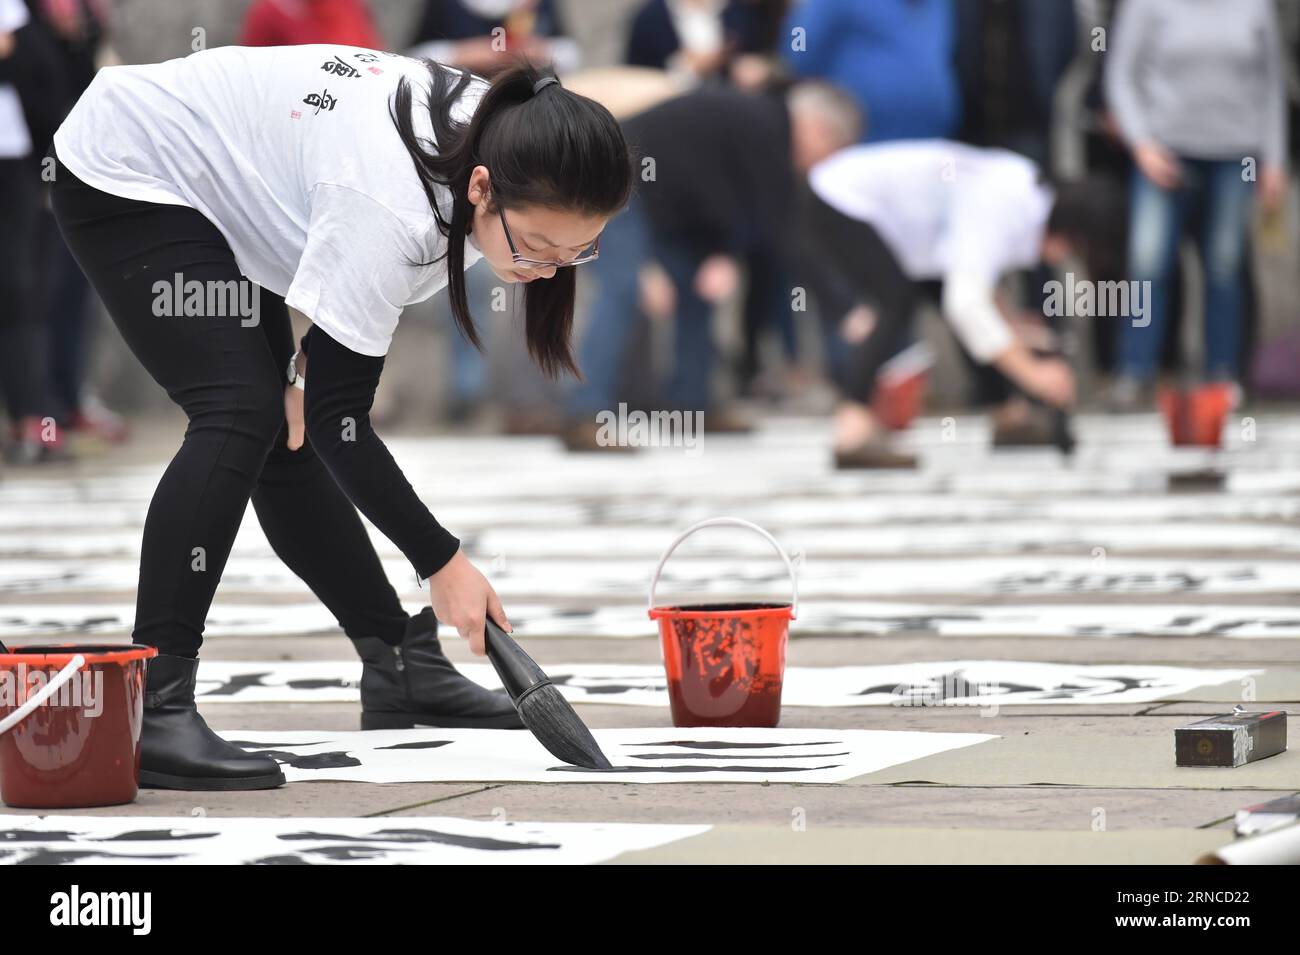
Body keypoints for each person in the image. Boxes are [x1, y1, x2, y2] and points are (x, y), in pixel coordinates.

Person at [49, 44, 631, 790]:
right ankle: (156, 707)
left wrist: (305, 369)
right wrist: (443, 561)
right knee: (240, 410)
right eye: (536, 247)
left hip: (233, 181)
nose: (546, 270)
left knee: (279, 429)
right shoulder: (389, 203)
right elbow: (342, 422)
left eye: (576, 253)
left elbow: (320, 396)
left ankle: (399, 661)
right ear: (481, 187)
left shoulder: (514, 131)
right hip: (134, 166)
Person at [801, 140, 1120, 467]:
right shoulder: (1003, 203)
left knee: (959, 313)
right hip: (843, 198)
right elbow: (967, 304)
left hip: (909, 230)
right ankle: (852, 429)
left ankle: (1008, 414)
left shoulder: (1023, 191)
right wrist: (1033, 373)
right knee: (895, 302)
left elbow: (976, 289)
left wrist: (1012, 333)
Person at [1104, 0, 1289, 407]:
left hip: (1234, 154)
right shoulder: (1145, 6)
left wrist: (1274, 159)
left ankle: (1222, 375)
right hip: (1165, 153)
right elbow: (1121, 75)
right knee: (1148, 263)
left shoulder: (1255, 7)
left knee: (1224, 265)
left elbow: (1271, 85)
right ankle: (1135, 371)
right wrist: (1142, 144)